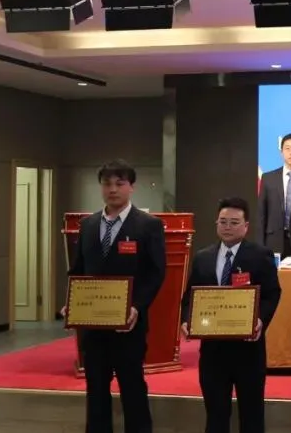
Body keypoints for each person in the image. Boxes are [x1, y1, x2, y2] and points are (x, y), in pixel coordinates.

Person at [65, 159, 166, 433]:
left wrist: (137, 307)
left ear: (131, 187)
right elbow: (78, 270)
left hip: (128, 325)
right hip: (93, 326)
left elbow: (156, 272)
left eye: (119, 184)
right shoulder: (88, 225)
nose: (112, 189)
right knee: (96, 389)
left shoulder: (148, 225)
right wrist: (71, 302)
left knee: (132, 387)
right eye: (107, 184)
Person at [179, 197, 281, 433]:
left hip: (248, 350)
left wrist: (260, 320)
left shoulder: (260, 256)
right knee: (215, 414)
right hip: (213, 351)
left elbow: (272, 294)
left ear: (246, 226)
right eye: (223, 222)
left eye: (234, 222)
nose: (227, 227)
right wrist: (186, 319)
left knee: (252, 415)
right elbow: (190, 297)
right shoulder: (203, 257)